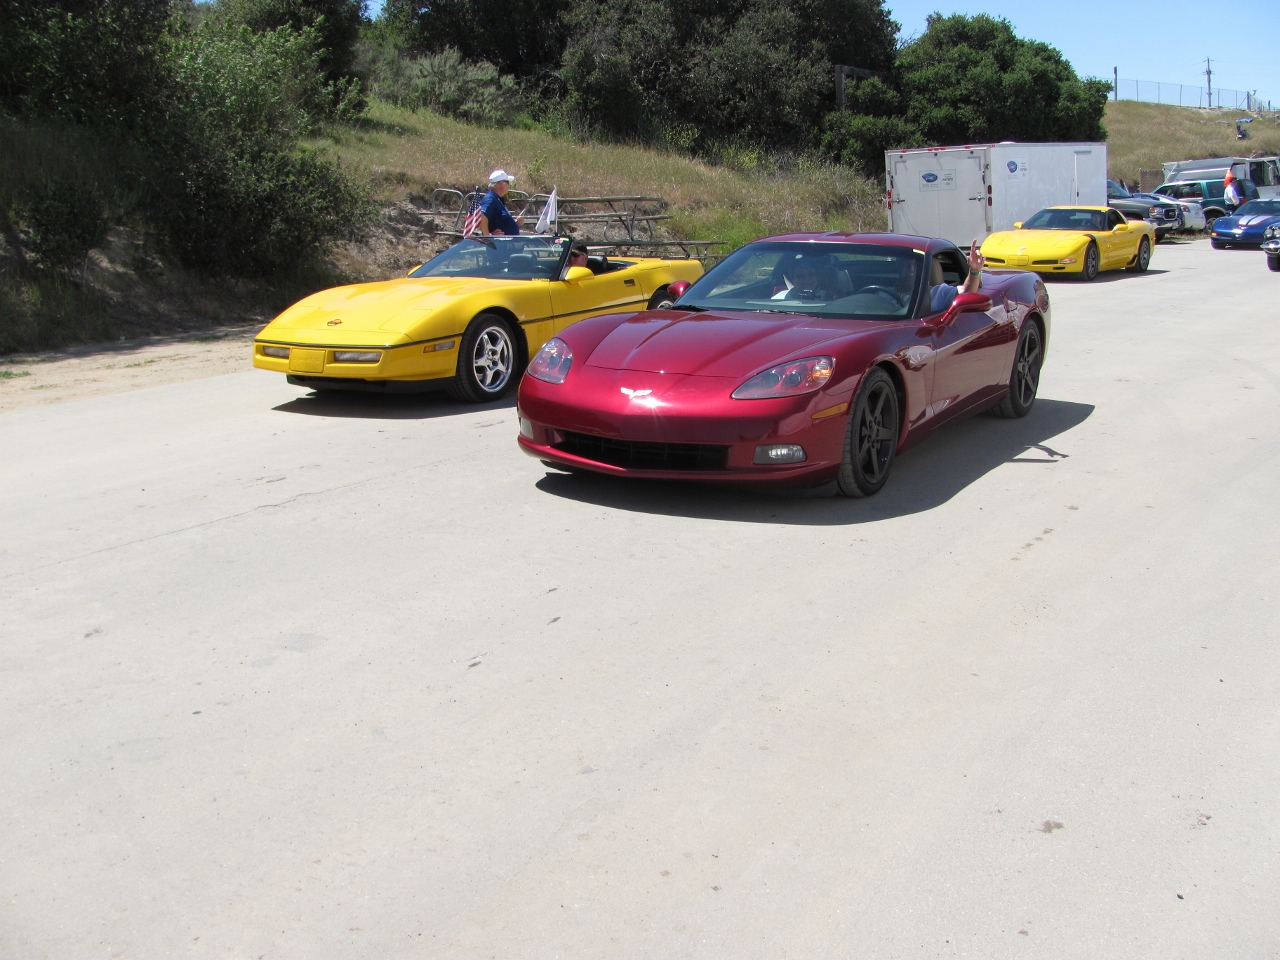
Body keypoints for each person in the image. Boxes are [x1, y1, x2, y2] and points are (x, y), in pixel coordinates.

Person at [895, 240, 984, 312]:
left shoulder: (936, 294)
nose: (911, 268)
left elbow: (967, 293)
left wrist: (974, 271)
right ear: (897, 266)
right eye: (906, 264)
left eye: (915, 264)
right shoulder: (883, 293)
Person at [478, 169, 521, 236]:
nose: (509, 185)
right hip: (500, 245)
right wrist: (488, 237)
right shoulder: (490, 198)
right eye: (507, 182)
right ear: (500, 183)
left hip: (506, 244)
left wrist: (515, 223)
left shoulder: (496, 199)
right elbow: (482, 216)